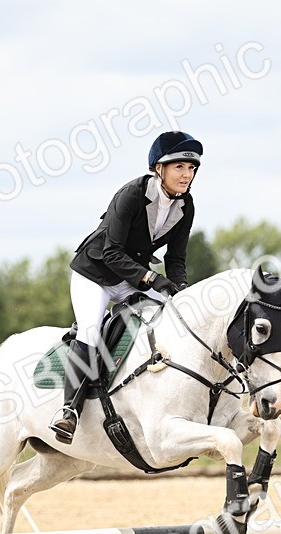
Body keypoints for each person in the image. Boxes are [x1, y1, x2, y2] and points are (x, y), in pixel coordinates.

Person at [48, 130, 202, 443]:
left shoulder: (186, 206)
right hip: (95, 274)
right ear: (158, 168)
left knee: (176, 316)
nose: (187, 174)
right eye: (179, 167)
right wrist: (151, 279)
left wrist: (180, 289)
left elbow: (176, 259)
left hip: (132, 279)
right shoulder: (132, 194)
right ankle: (69, 410)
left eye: (192, 168)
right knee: (91, 330)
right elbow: (111, 252)